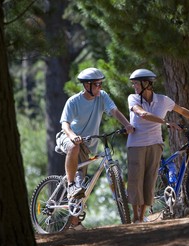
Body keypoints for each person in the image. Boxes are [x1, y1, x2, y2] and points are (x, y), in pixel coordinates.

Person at [126, 69, 189, 223]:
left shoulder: (163, 100)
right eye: (133, 83)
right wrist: (166, 122)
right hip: (136, 144)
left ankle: (141, 217)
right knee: (136, 179)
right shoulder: (133, 98)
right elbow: (142, 114)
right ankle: (135, 217)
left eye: (136, 83)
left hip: (155, 143)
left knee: (150, 180)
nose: (134, 86)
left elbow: (181, 110)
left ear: (147, 84)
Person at [56, 67, 134, 230]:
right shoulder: (74, 101)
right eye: (97, 84)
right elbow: (65, 124)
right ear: (87, 85)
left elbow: (114, 111)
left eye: (101, 84)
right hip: (70, 138)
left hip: (88, 144)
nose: (100, 87)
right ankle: (69, 184)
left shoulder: (102, 96)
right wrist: (72, 136)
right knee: (74, 152)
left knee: (81, 184)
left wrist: (127, 124)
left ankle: (75, 222)